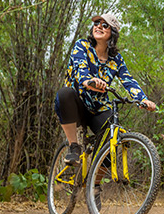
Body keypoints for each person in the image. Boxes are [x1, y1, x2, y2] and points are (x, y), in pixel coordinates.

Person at [54, 13, 156, 165]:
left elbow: (128, 81)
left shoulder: (116, 60)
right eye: (96, 23)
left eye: (105, 25)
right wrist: (89, 81)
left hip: (98, 108)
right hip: (77, 105)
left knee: (111, 140)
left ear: (113, 32)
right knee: (64, 94)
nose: (99, 26)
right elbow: (80, 69)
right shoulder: (82, 46)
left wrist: (143, 99)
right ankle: (74, 146)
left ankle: (94, 185)